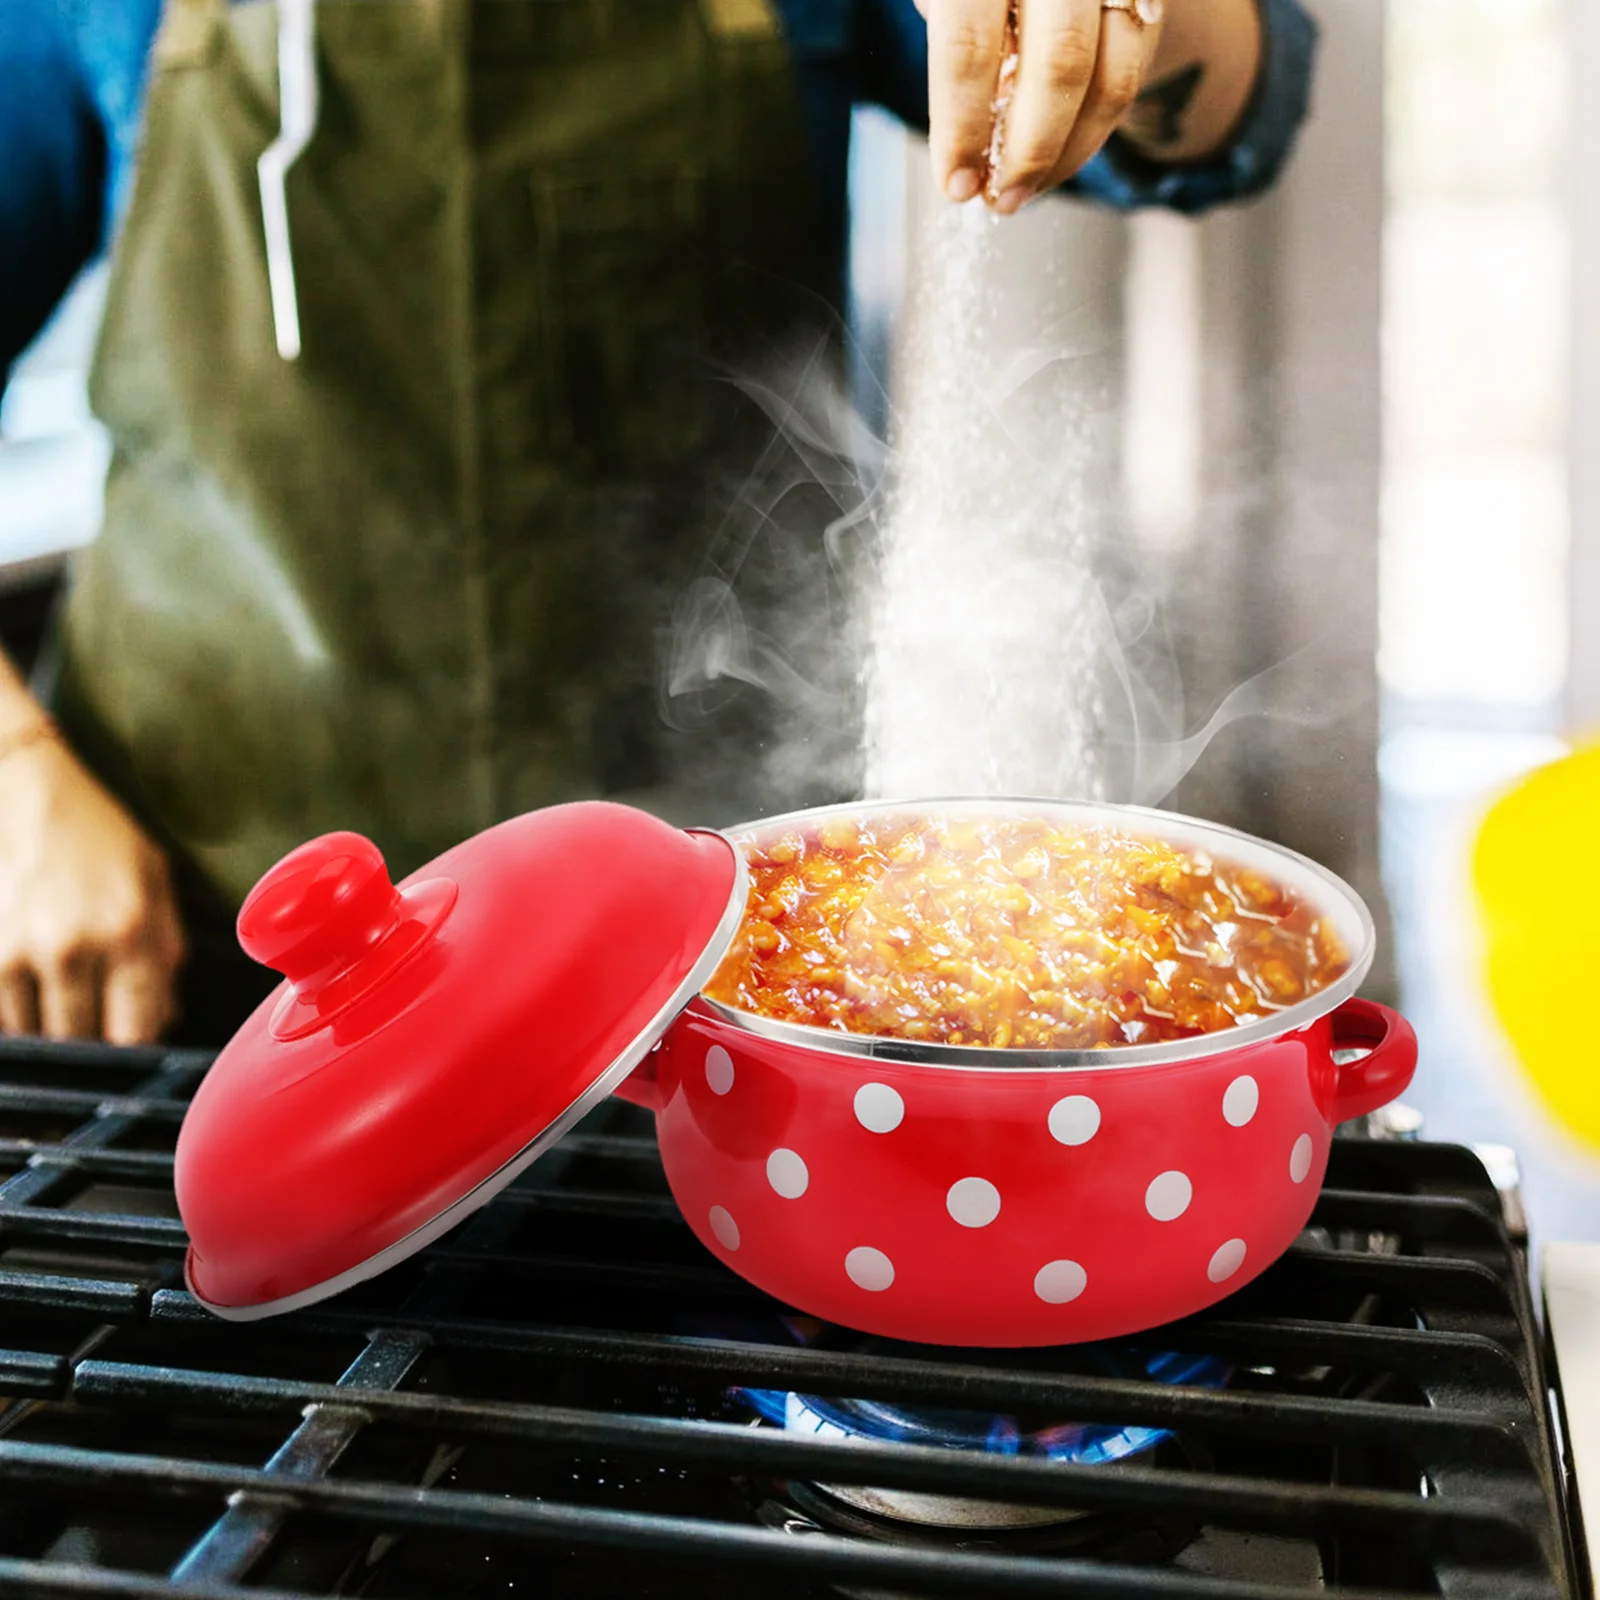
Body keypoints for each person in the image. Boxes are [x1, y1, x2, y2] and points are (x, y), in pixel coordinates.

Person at [0, 0, 1316, 1047]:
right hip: (195, 939)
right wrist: (15, 780)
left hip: (709, 966)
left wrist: (1129, 18)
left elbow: (1237, 107)